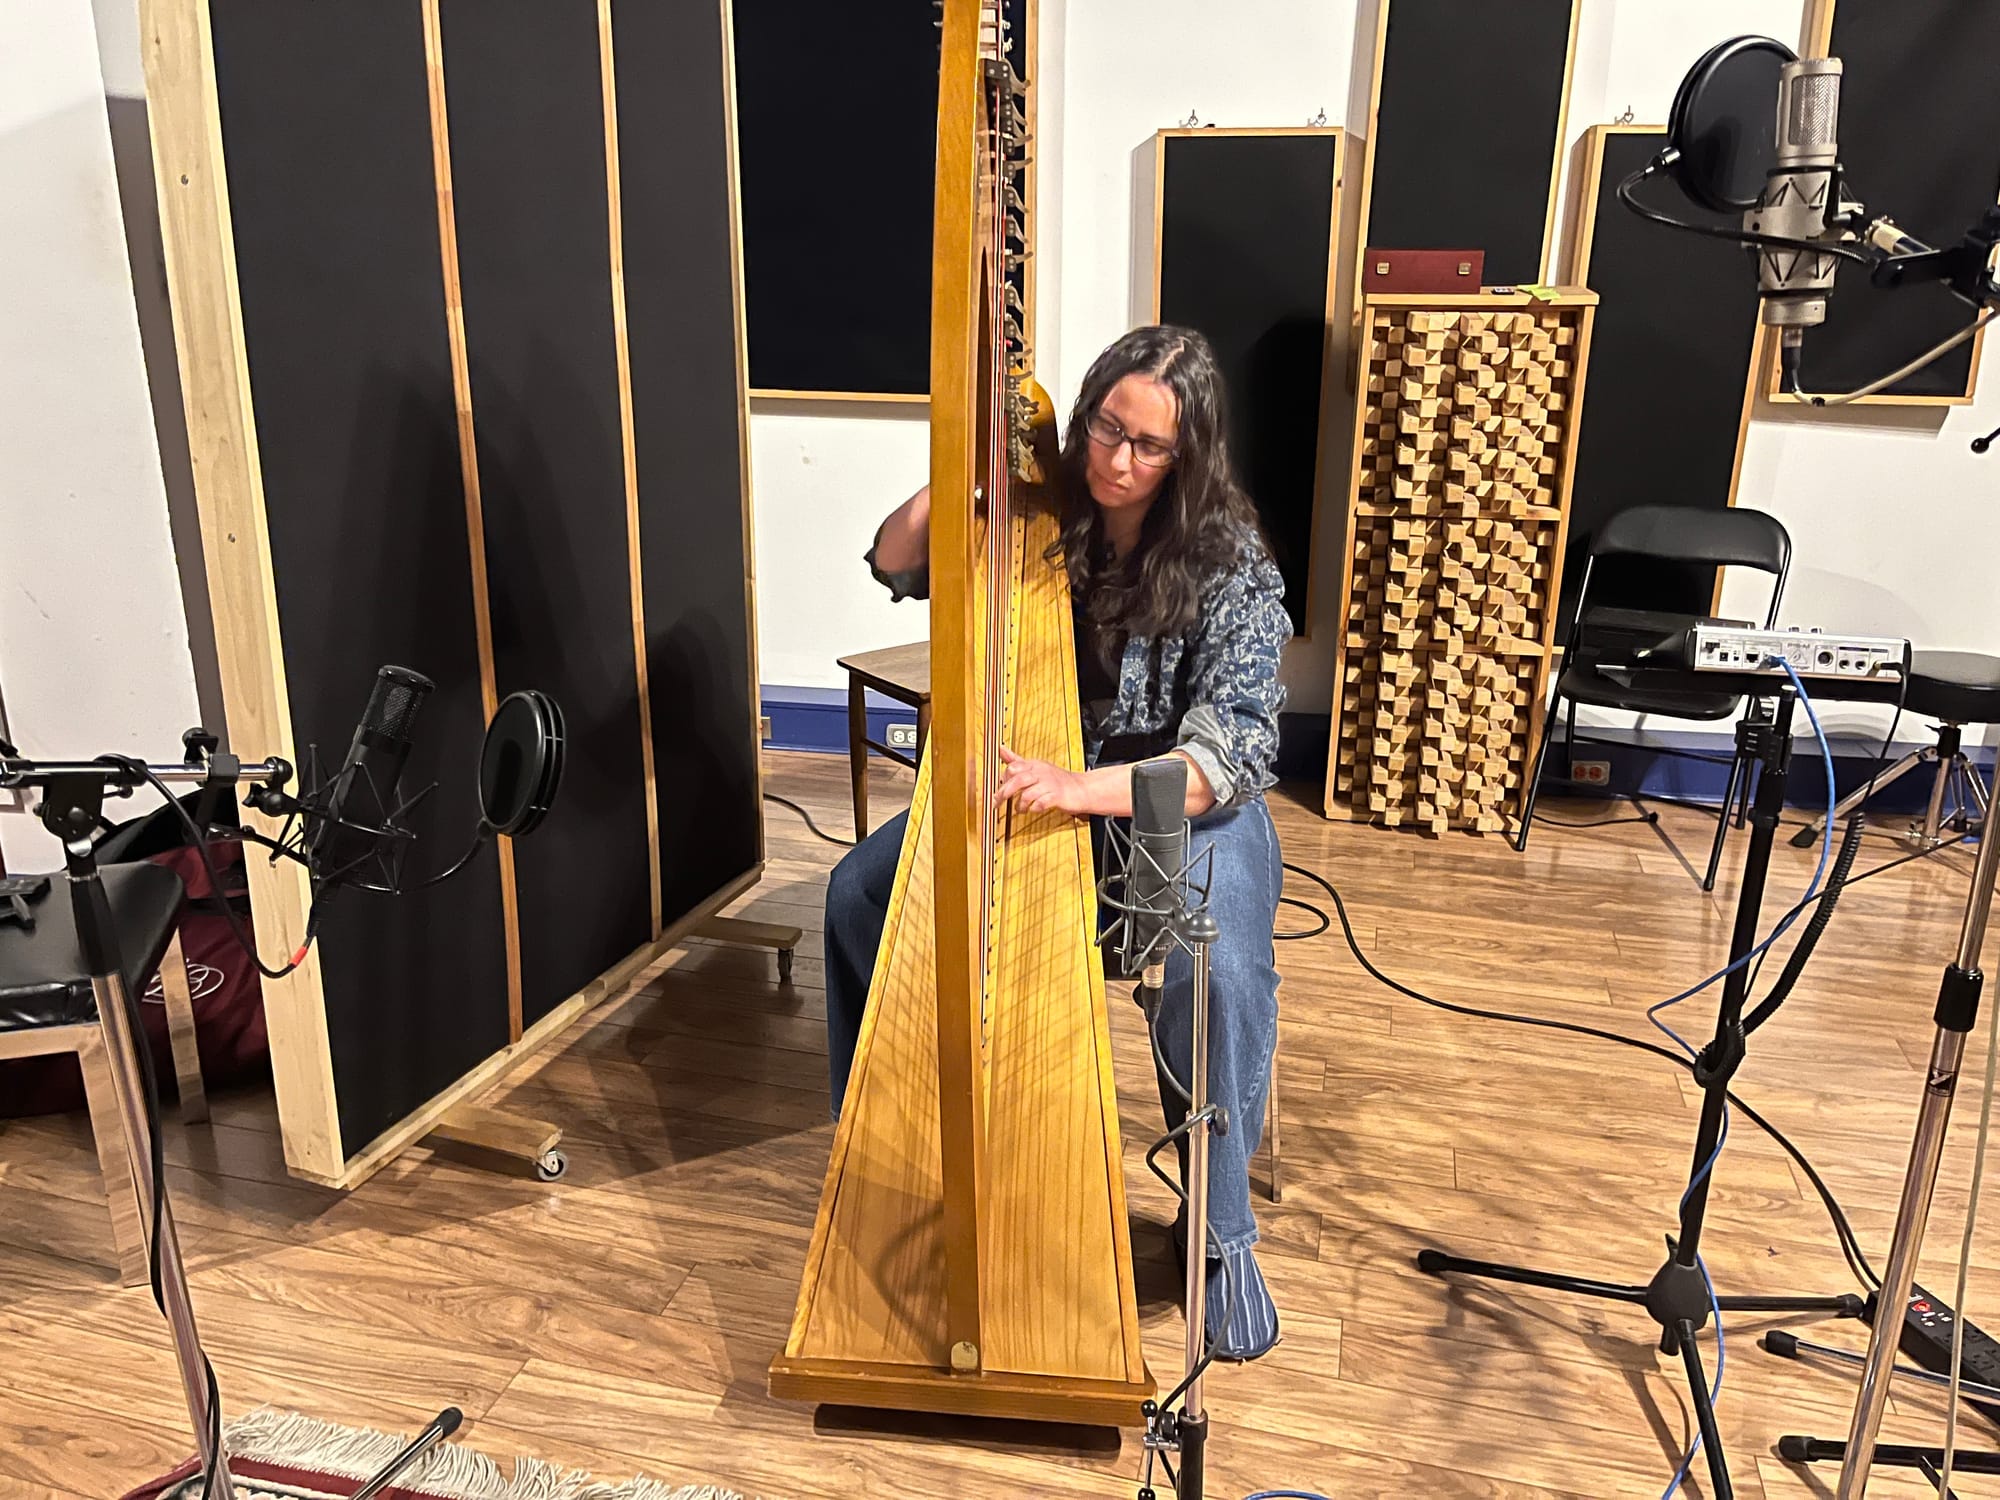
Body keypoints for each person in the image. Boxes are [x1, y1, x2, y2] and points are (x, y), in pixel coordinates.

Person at [822, 324, 1291, 1361]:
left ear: (1190, 455)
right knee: (859, 894)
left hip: (1175, 804)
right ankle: (879, 1147)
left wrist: (1074, 787)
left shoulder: (1230, 561)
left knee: (1211, 976)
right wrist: (958, 463)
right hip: (1043, 789)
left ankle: (1218, 1234)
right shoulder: (1046, 505)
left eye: (1146, 447)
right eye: (1103, 429)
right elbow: (894, 562)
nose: (1115, 462)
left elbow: (1233, 752)